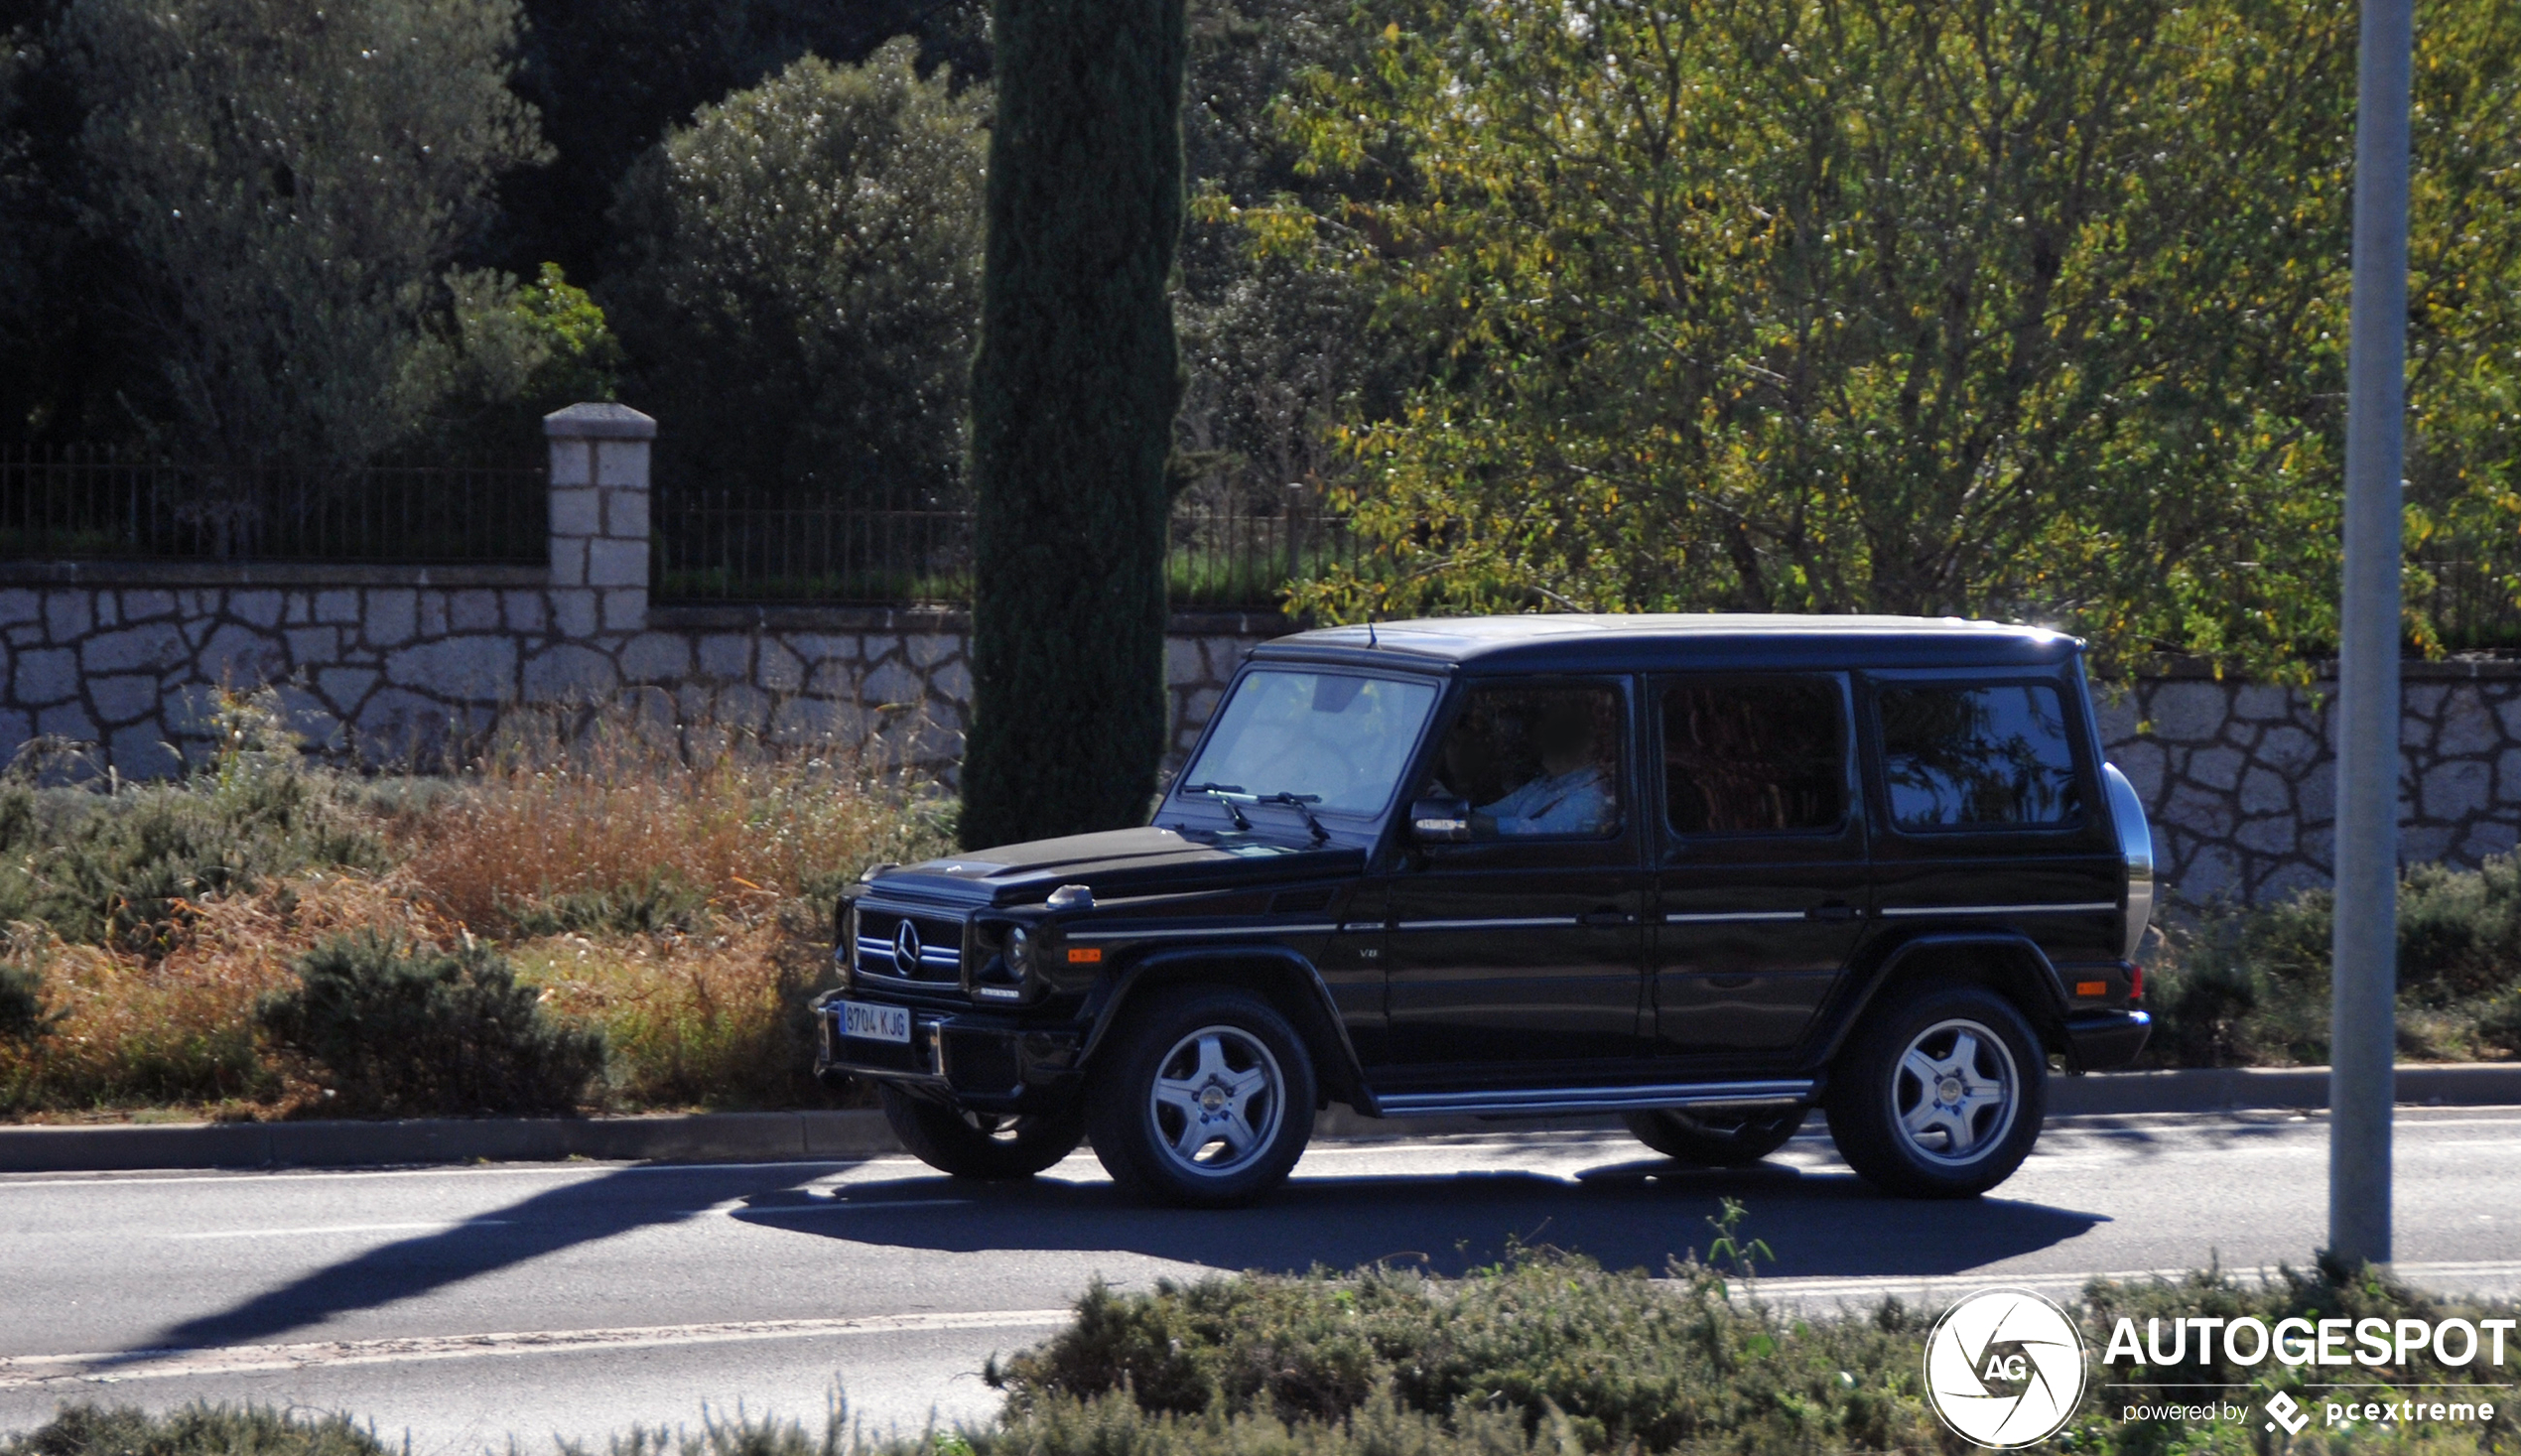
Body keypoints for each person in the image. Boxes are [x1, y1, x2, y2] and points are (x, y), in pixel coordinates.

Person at [1473, 698, 1615, 836]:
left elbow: (1540, 832)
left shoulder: (1592, 795)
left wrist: (1467, 823)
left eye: (1555, 735)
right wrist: (1459, 817)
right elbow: (1494, 812)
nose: (1542, 743)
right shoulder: (1545, 783)